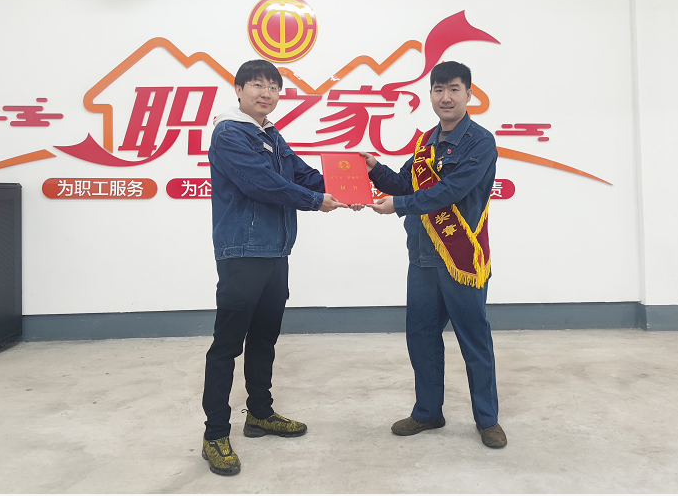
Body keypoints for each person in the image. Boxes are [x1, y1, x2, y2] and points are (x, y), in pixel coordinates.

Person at [201, 59, 345, 476]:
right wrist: (315, 201)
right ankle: (214, 435)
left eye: (273, 87)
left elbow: (302, 174)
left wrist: (350, 180)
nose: (266, 93)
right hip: (243, 253)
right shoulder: (230, 134)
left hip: (275, 252)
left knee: (264, 338)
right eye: (257, 85)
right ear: (238, 90)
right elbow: (260, 183)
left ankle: (260, 414)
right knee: (227, 346)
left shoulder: (271, 135)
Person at [361, 61, 507, 449]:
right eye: (438, 89)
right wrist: (375, 169)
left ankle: (487, 419)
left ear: (469, 94)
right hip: (423, 258)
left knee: (473, 340)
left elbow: (449, 192)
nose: (446, 97)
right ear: (430, 95)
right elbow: (403, 184)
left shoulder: (481, 142)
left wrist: (398, 205)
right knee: (421, 338)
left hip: (461, 260)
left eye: (454, 89)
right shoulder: (426, 142)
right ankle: (428, 412)